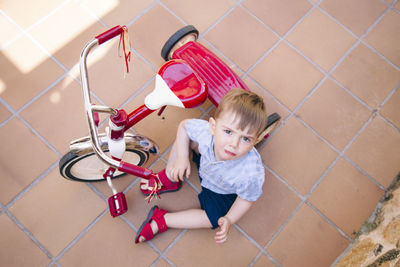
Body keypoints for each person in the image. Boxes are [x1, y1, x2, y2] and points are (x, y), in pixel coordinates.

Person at [135, 88, 268, 244]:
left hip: (221, 189)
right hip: (206, 162)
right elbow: (184, 127)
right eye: (228, 131)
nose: (234, 144)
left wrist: (229, 219)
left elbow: (246, 199)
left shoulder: (250, 174)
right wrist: (182, 158)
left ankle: (162, 220)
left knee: (213, 219)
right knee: (185, 141)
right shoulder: (206, 133)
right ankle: (170, 176)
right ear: (213, 126)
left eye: (246, 139)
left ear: (255, 141)